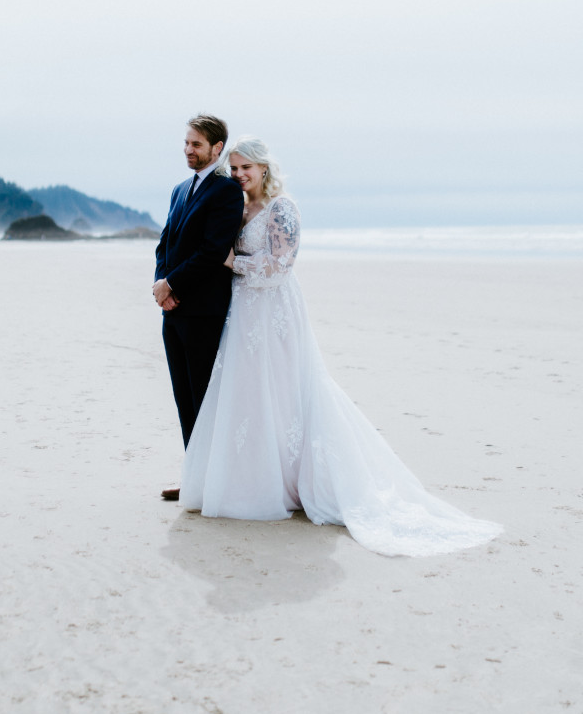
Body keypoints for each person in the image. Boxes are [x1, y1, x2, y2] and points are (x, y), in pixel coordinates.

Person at [178, 137, 503, 556]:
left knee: (284, 389)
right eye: (234, 169)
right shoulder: (238, 208)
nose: (240, 175)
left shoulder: (283, 209)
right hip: (242, 312)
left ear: (264, 170)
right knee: (248, 392)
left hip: (274, 310)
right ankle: (252, 480)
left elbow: (279, 267)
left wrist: (230, 262)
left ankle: (296, 482)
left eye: (247, 168)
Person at [153, 116, 246, 501]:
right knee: (183, 398)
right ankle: (194, 477)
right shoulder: (179, 189)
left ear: (217, 148)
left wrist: (173, 284)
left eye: (197, 144)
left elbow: (212, 252)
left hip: (204, 312)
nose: (189, 150)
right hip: (172, 311)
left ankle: (213, 481)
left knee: (204, 398)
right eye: (187, 143)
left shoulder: (226, 191)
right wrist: (162, 286)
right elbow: (166, 244)